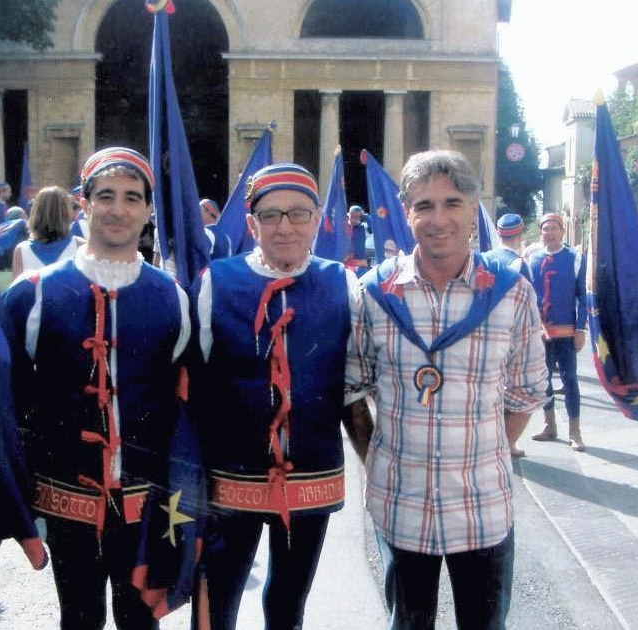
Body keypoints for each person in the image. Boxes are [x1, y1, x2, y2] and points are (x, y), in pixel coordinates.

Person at [343, 150, 547, 630]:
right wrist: (379, 461)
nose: (438, 219)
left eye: (452, 203)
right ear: (405, 212)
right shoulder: (373, 293)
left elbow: (525, 392)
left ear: (473, 208)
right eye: (423, 205)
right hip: (400, 506)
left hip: (482, 506)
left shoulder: (512, 292)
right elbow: (352, 392)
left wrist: (481, 449)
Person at [3, 147, 191, 630]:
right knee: (79, 617)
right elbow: (9, 399)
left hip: (146, 504)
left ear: (149, 210)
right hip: (67, 500)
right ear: (83, 204)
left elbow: (183, 405)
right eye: (105, 196)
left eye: (132, 197)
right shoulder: (33, 293)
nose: (118, 209)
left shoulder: (173, 297)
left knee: (139, 620)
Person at [190, 163, 360, 630]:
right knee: (216, 596)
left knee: (288, 602)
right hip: (231, 479)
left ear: (317, 219)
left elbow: (355, 390)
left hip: (312, 477)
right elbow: (195, 388)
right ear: (251, 224)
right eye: (270, 215)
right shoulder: (214, 283)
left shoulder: (343, 284)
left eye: (298, 214)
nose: (284, 226)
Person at [526, 212, 587, 452]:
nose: (548, 233)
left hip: (566, 331)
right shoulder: (532, 258)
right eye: (544, 229)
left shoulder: (574, 258)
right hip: (541, 332)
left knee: (570, 380)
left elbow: (583, 297)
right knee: (544, 381)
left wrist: (580, 328)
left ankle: (575, 432)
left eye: (553, 228)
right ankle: (549, 425)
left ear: (562, 231)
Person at [11, 185, 79, 279]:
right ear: (66, 212)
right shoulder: (81, 246)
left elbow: (17, 292)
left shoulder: (21, 250)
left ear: (36, 212)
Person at [482, 212, 532, 283]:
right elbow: (528, 292)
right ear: (520, 236)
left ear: (499, 234)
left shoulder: (484, 257)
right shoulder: (520, 263)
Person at [344, 204, 372, 276]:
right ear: (348, 215)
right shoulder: (343, 227)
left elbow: (373, 229)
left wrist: (366, 217)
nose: (354, 219)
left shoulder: (363, 228)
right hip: (346, 263)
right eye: (352, 216)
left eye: (357, 217)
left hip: (360, 264)